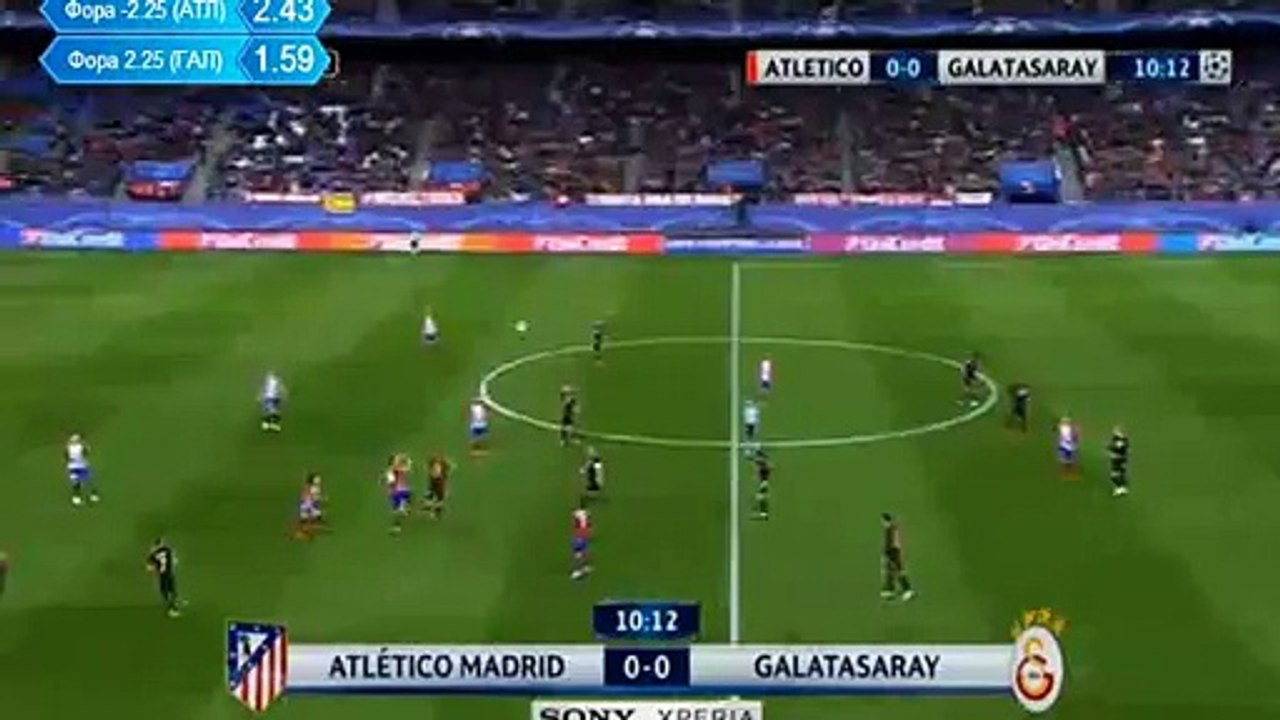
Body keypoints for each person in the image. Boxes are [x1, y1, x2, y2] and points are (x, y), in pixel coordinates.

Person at [880, 513, 914, 601]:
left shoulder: (891, 530)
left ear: (886, 521)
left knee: (898, 571)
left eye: (883, 521)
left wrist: (889, 555)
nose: (883, 523)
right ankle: (889, 590)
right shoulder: (890, 529)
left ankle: (907, 590)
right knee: (890, 572)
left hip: (893, 553)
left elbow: (893, 543)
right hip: (892, 552)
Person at [147, 538, 181, 617]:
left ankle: (172, 609)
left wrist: (154, 569)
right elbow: (174, 560)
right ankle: (175, 603)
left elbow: (149, 567)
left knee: (164, 592)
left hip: (163, 575)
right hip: (170, 572)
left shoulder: (154, 554)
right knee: (172, 589)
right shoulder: (167, 550)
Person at [66, 433, 98, 506]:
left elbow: (67, 456)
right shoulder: (80, 446)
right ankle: (91, 496)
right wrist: (85, 444)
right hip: (81, 465)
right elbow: (87, 452)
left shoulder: (69, 447)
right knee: (86, 480)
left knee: (77, 482)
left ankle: (77, 497)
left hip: (73, 466)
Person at [1108, 426, 1130, 497]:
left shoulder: (1122, 442)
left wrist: (1112, 450)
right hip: (1119, 460)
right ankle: (1121, 488)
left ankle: (1120, 488)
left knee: (1114, 475)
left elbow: (1115, 448)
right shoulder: (1118, 439)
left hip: (1120, 461)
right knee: (1120, 474)